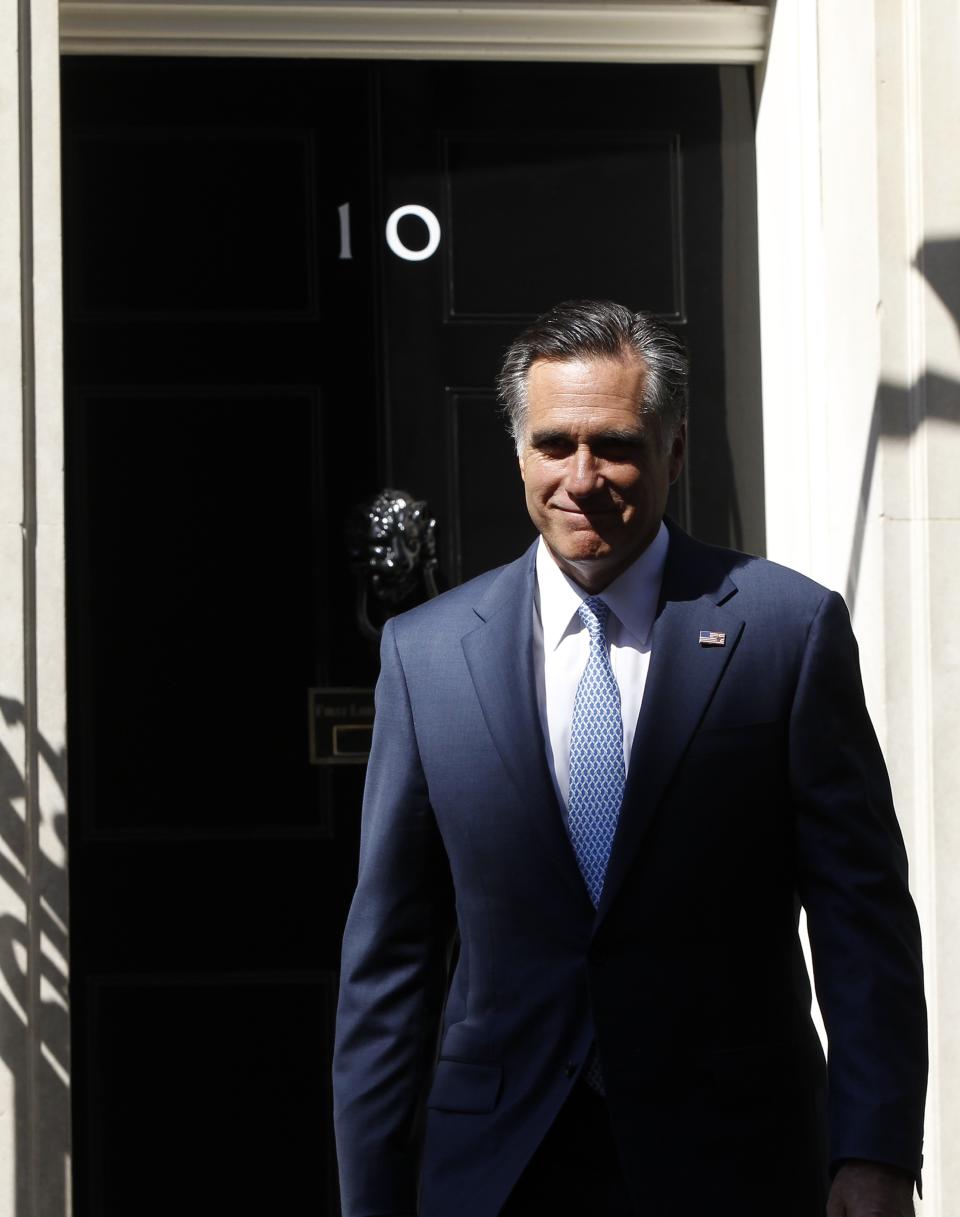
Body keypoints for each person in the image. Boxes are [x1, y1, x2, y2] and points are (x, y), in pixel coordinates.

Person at [333, 300, 927, 1217]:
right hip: (501, 1166)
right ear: (519, 453)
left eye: (614, 444)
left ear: (674, 451)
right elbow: (392, 956)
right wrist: (371, 1193)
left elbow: (863, 917)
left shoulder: (786, 629)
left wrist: (876, 1148)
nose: (582, 477)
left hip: (738, 1159)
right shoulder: (426, 655)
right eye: (554, 443)